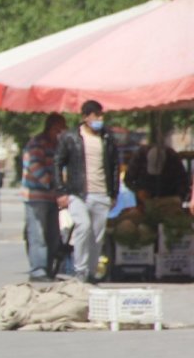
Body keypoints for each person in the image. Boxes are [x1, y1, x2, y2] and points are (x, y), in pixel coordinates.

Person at [54, 100, 119, 283]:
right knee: (83, 227)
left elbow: (114, 166)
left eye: (101, 115)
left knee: (97, 236)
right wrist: (61, 191)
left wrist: (113, 193)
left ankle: (90, 272)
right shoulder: (71, 137)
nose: (100, 119)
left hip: (101, 194)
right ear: (85, 117)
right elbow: (58, 163)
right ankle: (80, 270)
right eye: (96, 115)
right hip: (78, 193)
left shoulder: (107, 138)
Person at [22, 113, 67, 282]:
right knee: (37, 234)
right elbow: (35, 166)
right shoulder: (36, 144)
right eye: (59, 129)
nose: (61, 132)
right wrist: (53, 185)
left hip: (52, 197)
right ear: (51, 127)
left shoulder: (57, 146)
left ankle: (48, 268)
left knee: (53, 235)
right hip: (36, 197)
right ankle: (38, 270)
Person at [125, 139, 190, 202]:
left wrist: (178, 198)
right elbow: (128, 180)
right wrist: (138, 191)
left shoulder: (173, 158)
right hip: (144, 197)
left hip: (168, 196)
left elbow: (183, 182)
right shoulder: (139, 157)